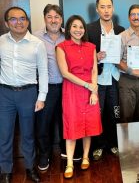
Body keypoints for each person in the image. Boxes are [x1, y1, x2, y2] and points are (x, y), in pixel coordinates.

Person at [0, 6, 48, 183]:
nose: (18, 22)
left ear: (27, 21)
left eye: (22, 19)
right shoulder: (1, 42)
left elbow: (43, 72)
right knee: (4, 134)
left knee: (28, 134)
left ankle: (30, 167)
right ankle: (6, 170)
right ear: (7, 23)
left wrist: (41, 97)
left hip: (28, 93)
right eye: (13, 19)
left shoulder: (37, 44)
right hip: (4, 93)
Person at [56, 15, 102, 179]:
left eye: (81, 27)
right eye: (74, 27)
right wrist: (87, 85)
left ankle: (85, 157)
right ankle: (69, 163)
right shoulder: (61, 47)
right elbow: (65, 73)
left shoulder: (91, 46)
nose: (78, 30)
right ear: (69, 29)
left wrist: (94, 91)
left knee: (88, 126)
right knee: (72, 126)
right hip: (72, 91)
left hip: (90, 91)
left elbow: (94, 71)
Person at [87, 0, 125, 160]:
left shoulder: (121, 30)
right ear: (97, 9)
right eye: (102, 7)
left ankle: (114, 143)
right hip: (98, 79)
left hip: (115, 77)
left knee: (114, 112)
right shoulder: (89, 29)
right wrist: (95, 57)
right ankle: (98, 146)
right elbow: (82, 56)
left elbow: (125, 55)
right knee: (97, 114)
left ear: (113, 8)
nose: (106, 10)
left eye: (109, 6)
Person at [33, 4, 66, 171]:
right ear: (44, 18)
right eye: (49, 17)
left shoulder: (69, 36)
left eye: (57, 17)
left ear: (61, 19)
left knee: (65, 120)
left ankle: (66, 150)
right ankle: (44, 155)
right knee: (43, 124)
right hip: (46, 88)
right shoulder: (35, 37)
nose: (53, 20)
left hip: (67, 86)